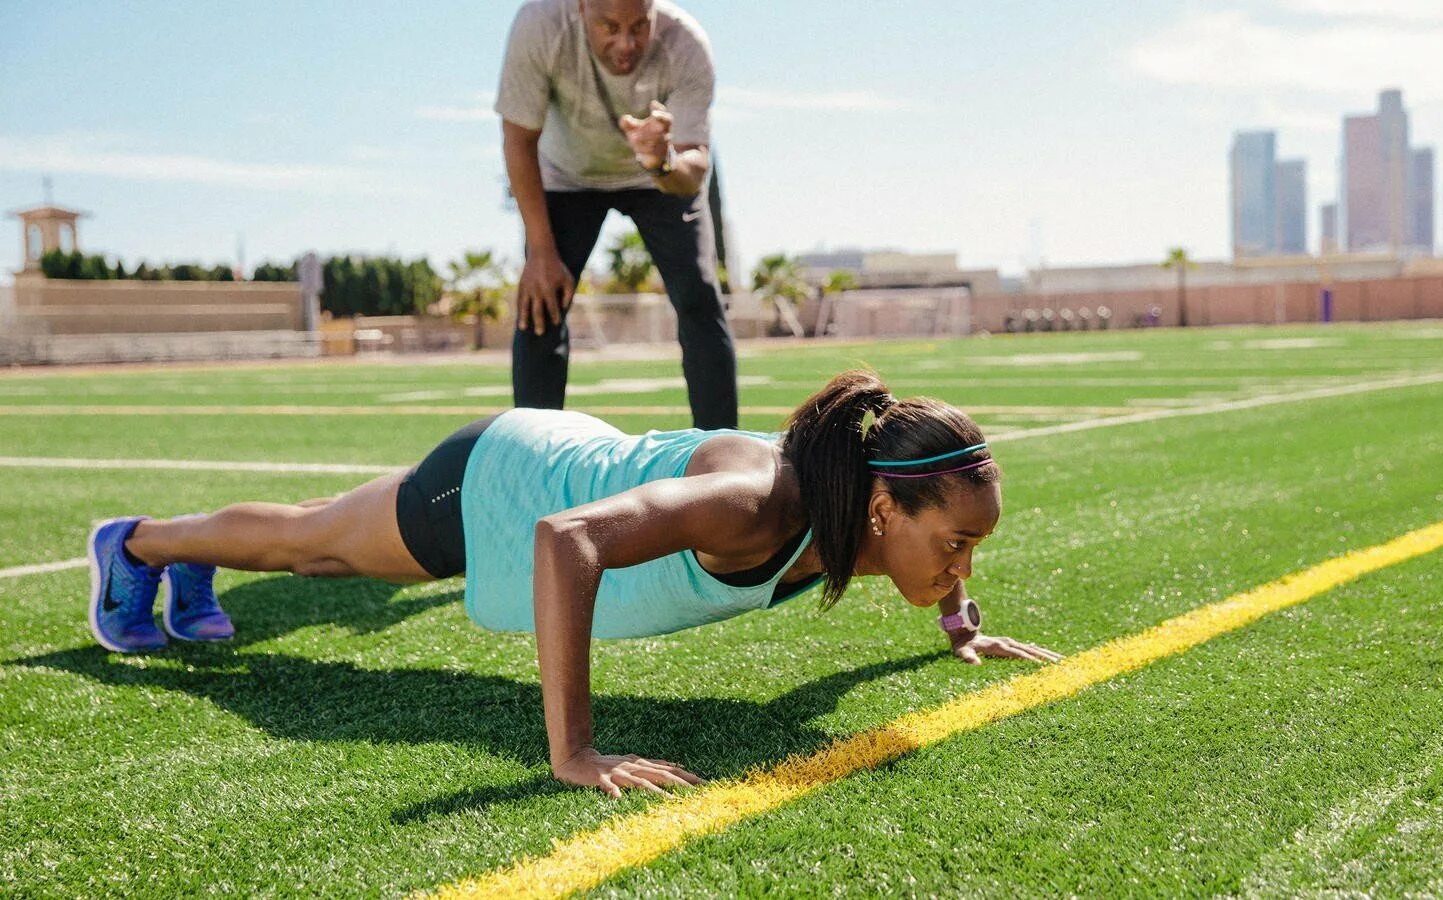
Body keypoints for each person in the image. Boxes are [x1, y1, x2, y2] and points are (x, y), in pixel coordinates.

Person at [85, 371, 1062, 796]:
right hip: (506, 484)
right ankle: (140, 548)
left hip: (560, 453)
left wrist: (958, 623)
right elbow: (564, 540)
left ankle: (171, 551)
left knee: (319, 534)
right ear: (890, 512)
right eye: (959, 543)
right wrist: (576, 752)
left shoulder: (866, 507)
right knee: (318, 549)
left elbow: (929, 559)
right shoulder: (759, 504)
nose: (961, 562)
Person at [498, 0, 738, 429]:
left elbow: (692, 172)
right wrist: (539, 250)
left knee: (700, 299)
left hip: (657, 176)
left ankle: (721, 458)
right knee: (541, 304)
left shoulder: (686, 44)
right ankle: (531, 455)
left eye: (638, 27)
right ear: (580, 7)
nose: (625, 43)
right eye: (609, 26)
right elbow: (518, 140)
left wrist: (659, 160)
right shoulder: (539, 25)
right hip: (566, 176)